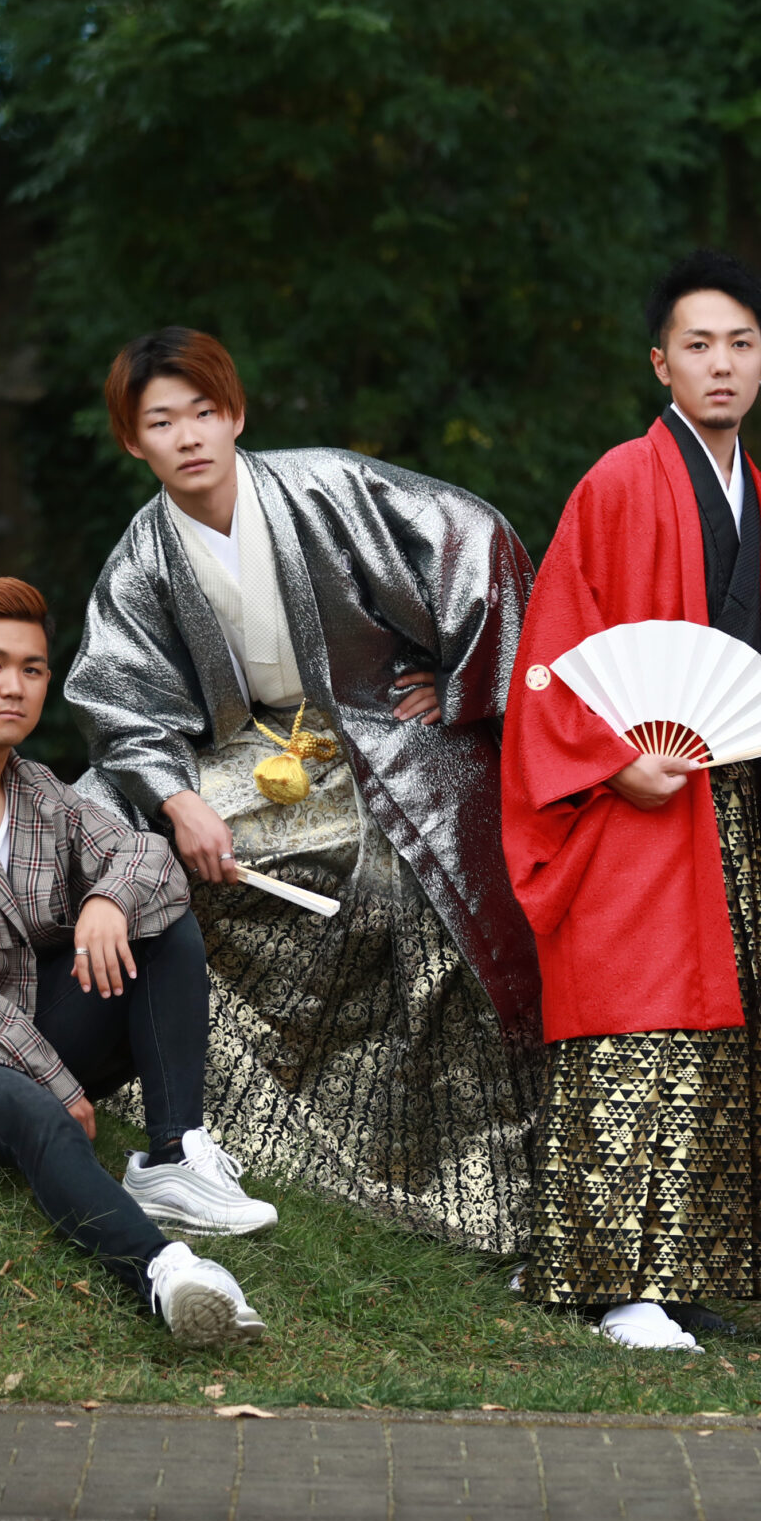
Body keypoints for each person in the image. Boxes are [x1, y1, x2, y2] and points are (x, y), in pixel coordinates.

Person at [64, 329, 543, 1254]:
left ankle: (449, 1166)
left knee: (414, 888)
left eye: (205, 411)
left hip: (378, 731)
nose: (189, 435)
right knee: (130, 843)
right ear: (132, 440)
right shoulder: (143, 558)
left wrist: (459, 681)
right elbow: (118, 701)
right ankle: (197, 1125)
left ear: (236, 414)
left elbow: (473, 535)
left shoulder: (327, 487)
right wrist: (175, 798)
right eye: (161, 421)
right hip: (249, 752)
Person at [501, 250, 761, 1352]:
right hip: (633, 796)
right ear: (661, 364)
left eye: (739, 344)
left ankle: (688, 1274)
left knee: (713, 1034)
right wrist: (610, 761)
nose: (720, 364)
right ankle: (616, 1282)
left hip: (725, 794)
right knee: (636, 1016)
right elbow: (552, 658)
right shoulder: (616, 484)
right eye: (698, 345)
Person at [0, 578, 270, 1347]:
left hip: (17, 1023)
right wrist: (53, 1080)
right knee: (36, 1113)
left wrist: (109, 902)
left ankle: (172, 1156)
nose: (14, 687)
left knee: (163, 927)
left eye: (31, 669)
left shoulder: (37, 793)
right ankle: (167, 1275)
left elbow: (149, 859)